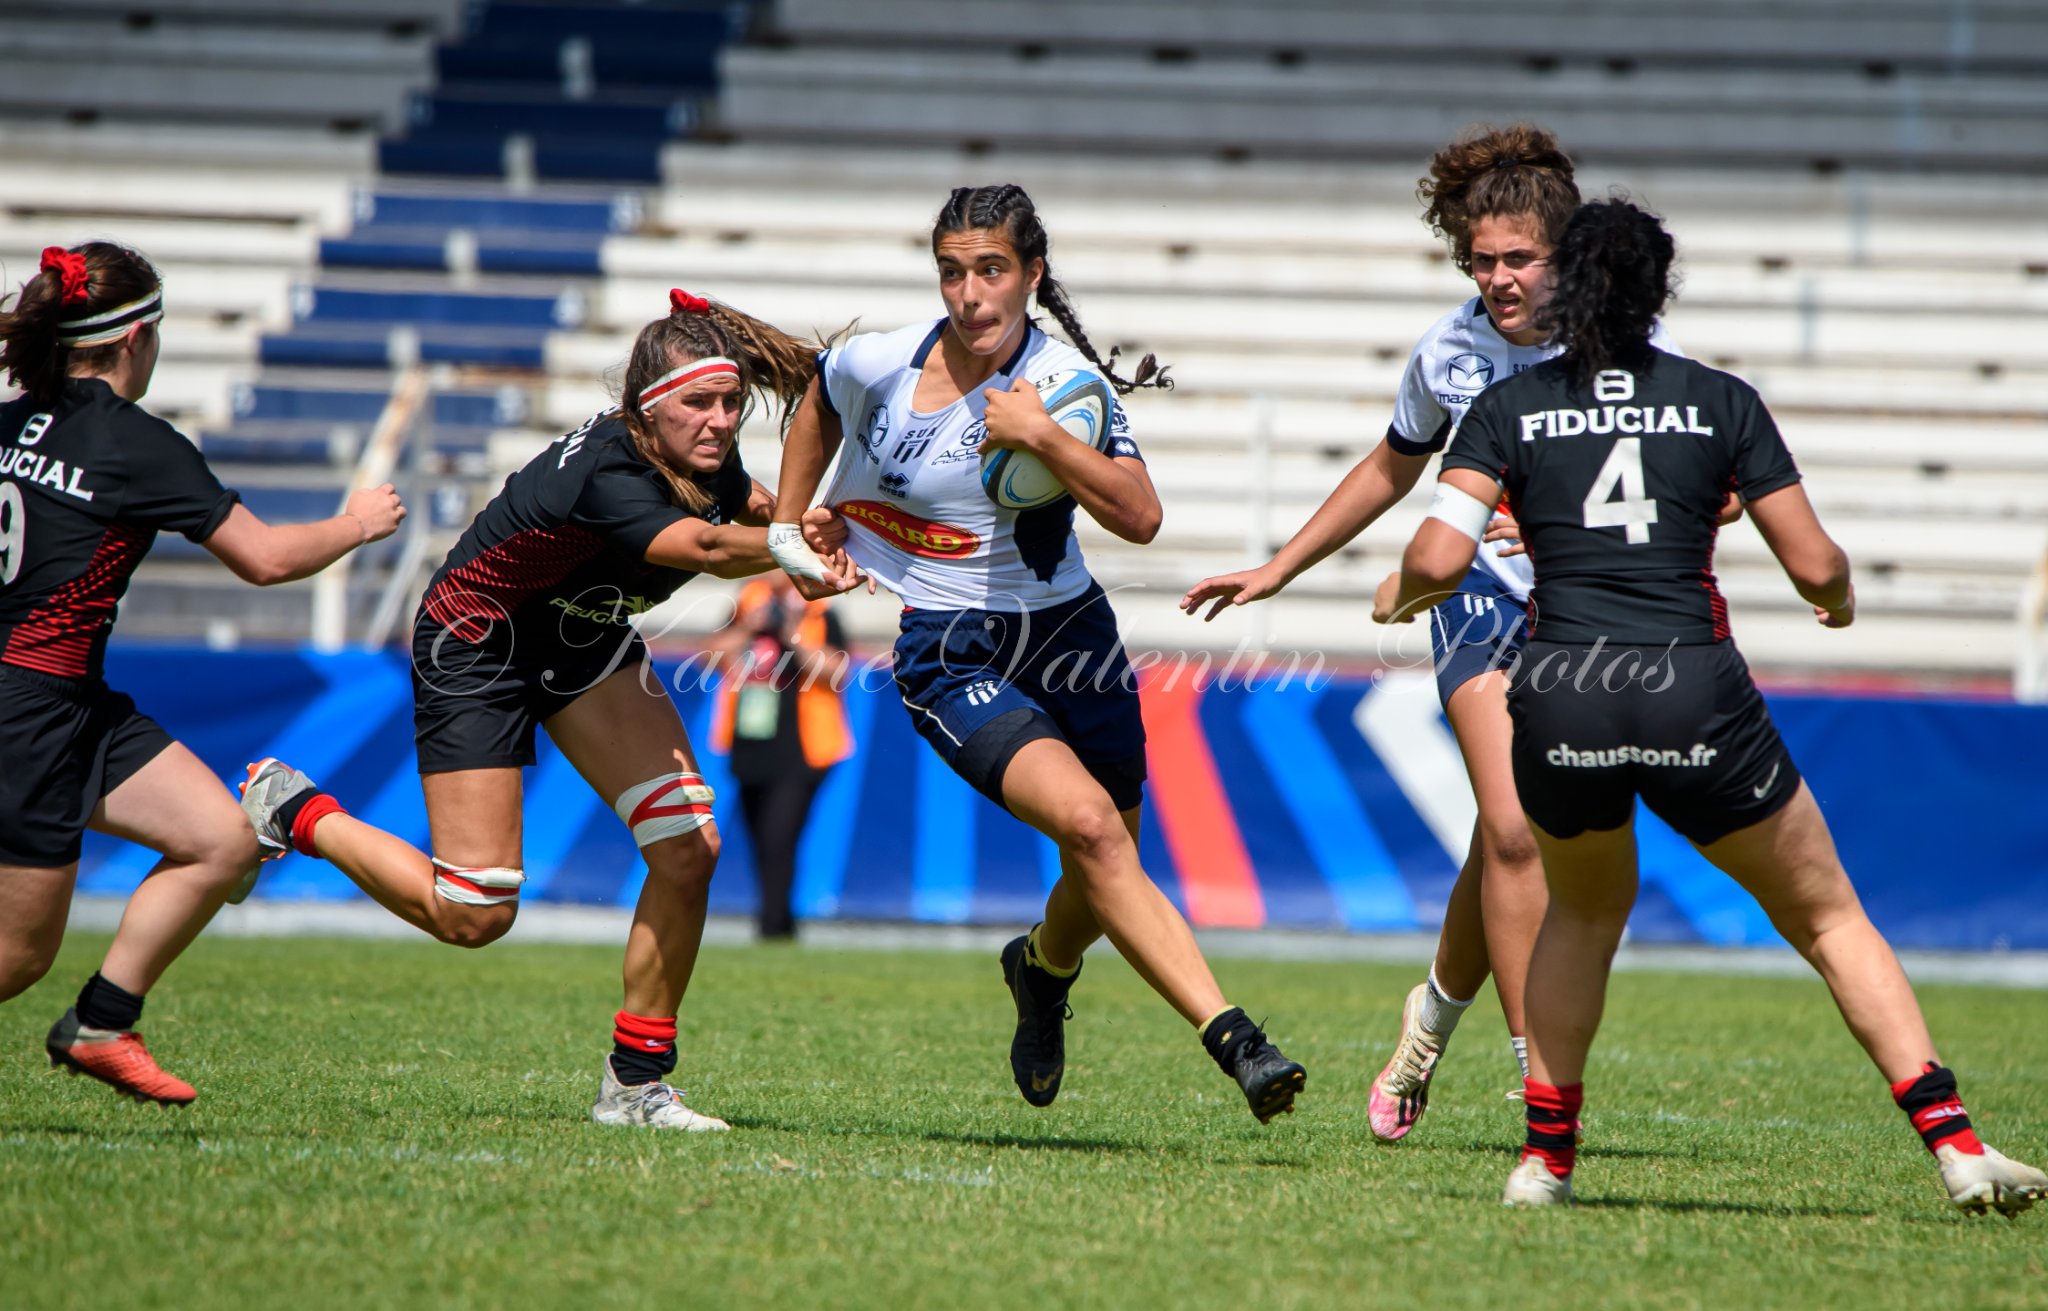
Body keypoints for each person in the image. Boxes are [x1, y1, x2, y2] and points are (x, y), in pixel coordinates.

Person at [1384, 196, 2047, 1213]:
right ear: (1658, 290)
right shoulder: (1718, 400)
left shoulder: (1504, 411)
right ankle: (1956, 1148)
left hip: (1561, 691)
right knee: (1825, 917)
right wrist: (1834, 605)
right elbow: (1814, 563)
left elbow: (1434, 558)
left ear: (1561, 288)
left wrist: (1406, 593)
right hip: (1690, 685)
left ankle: (1541, 1165)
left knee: (1580, 912)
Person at [236, 289, 858, 1131]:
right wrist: (799, 546)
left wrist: (846, 524)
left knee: (688, 847)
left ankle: (635, 1085)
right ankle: (294, 807)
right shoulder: (611, 470)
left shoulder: (703, 464)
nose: (718, 422)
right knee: (475, 910)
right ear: (646, 411)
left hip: (582, 640)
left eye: (729, 404)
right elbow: (711, 550)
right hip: (477, 642)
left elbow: (756, 514)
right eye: (697, 404)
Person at [1182, 124, 1685, 1140]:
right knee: (1511, 831)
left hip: (1587, 613)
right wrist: (1279, 565)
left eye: (1519, 259)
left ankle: (1425, 1026)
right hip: (1478, 607)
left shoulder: (1628, 353)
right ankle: (1536, 1070)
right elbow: (1388, 465)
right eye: (1480, 259)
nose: (1497, 280)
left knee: (1511, 841)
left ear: (1567, 253)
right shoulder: (1448, 353)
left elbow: (1701, 479)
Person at [763, 183, 1306, 1123]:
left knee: (1107, 863)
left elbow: (1140, 516)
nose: (970, 295)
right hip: (951, 648)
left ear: (1031, 275)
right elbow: (817, 391)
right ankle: (1238, 1042)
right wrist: (784, 530)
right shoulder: (882, 362)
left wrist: (1042, 436)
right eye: (951, 272)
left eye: (991, 271)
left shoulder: (1066, 388)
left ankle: (1041, 970)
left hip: (1071, 637)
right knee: (1093, 832)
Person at [0, 241, 404, 1105]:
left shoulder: (8, 423)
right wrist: (359, 523)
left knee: (220, 839)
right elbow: (262, 558)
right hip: (29, 705)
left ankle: (102, 1022)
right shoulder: (136, 443)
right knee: (16, 955)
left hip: (73, 701)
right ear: (137, 337)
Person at [706, 570, 853, 940]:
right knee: (758, 836)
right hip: (751, 740)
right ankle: (780, 919)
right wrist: (749, 627)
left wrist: (792, 633)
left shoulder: (820, 611)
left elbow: (837, 671)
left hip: (804, 746)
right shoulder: (746, 602)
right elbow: (710, 655)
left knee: (779, 836)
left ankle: (772, 926)